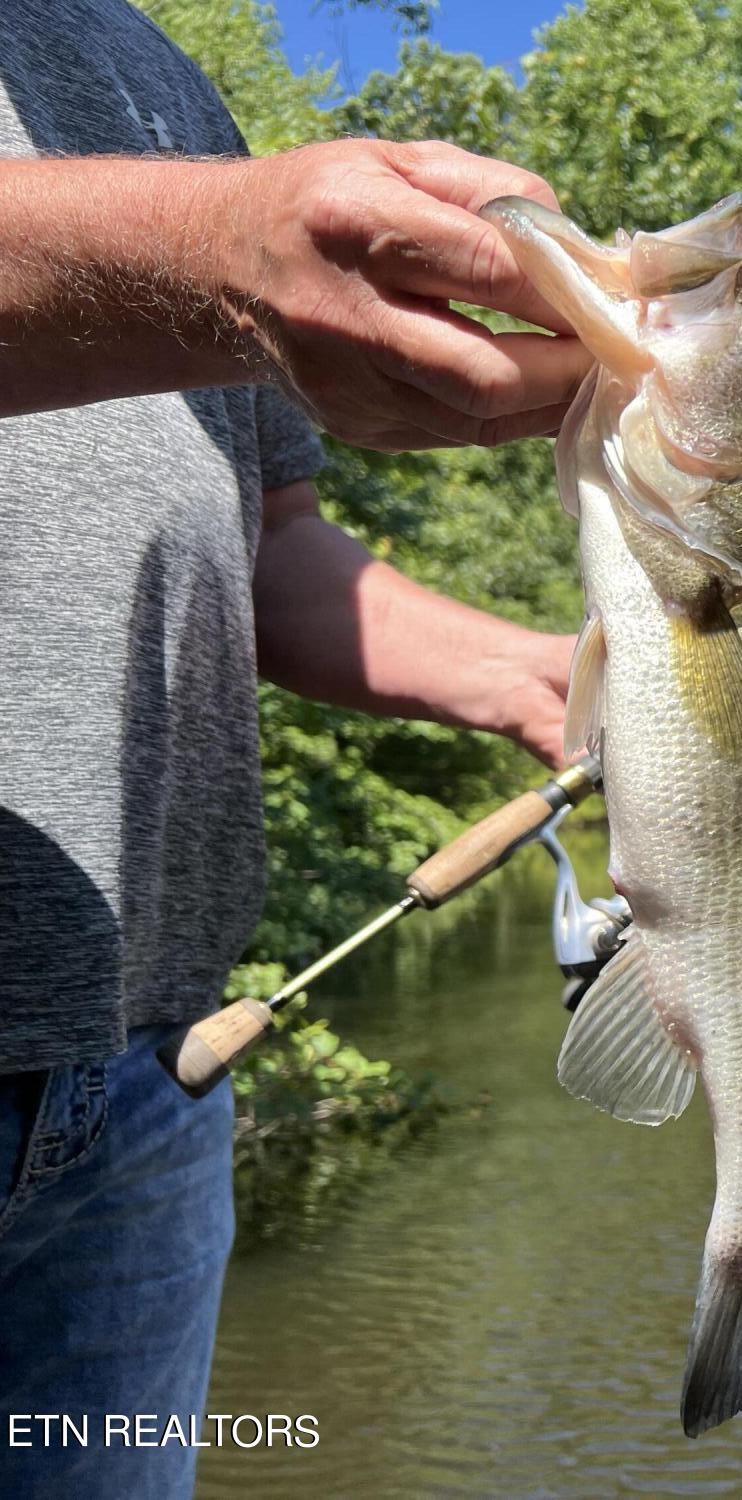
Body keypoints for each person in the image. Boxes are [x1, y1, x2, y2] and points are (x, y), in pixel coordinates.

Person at [0, 4, 595, 1493]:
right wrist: (222, 250)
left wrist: (545, 685)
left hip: (143, 1089)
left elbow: (268, 557)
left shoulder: (155, 77)